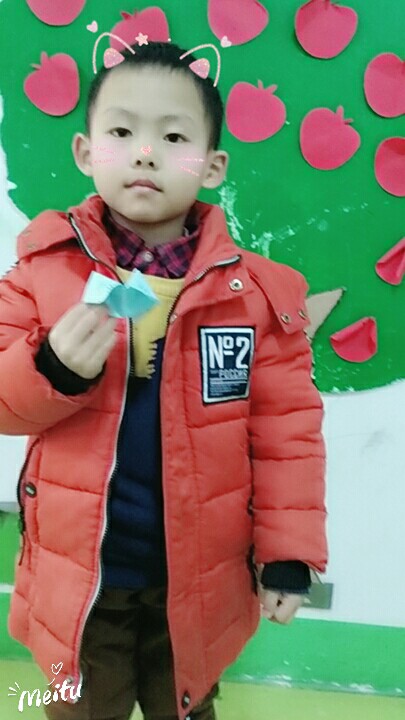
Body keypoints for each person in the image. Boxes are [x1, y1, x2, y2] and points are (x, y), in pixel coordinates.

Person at [0, 41, 328, 720]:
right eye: (122, 132)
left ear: (212, 165)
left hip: (201, 579)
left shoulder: (256, 296)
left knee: (184, 705)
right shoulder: (41, 271)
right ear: (85, 152)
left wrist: (288, 554)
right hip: (79, 576)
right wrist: (51, 368)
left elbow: (287, 437)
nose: (145, 153)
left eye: (173, 137)